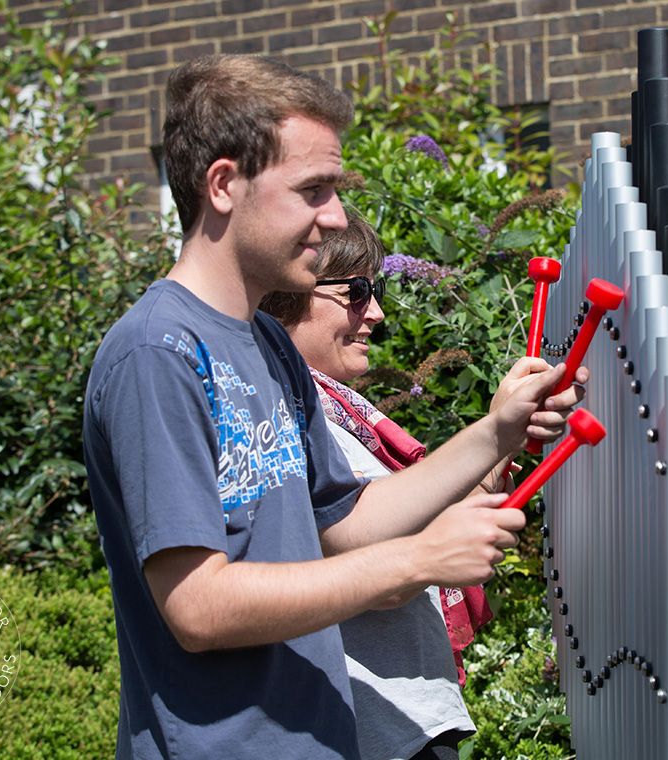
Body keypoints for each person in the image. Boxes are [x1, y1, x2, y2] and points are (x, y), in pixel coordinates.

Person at [82, 53, 583, 760]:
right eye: (313, 190)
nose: (335, 216)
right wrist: (418, 561)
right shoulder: (156, 353)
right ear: (223, 184)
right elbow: (198, 607)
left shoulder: (266, 343)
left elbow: (343, 525)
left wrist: (495, 430)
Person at [260, 209, 537, 760]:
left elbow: (423, 529)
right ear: (290, 291)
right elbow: (387, 566)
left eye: (376, 288)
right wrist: (496, 430)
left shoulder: (344, 411)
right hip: (380, 733)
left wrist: (502, 434)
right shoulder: (301, 412)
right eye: (357, 291)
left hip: (405, 718)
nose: (377, 312)